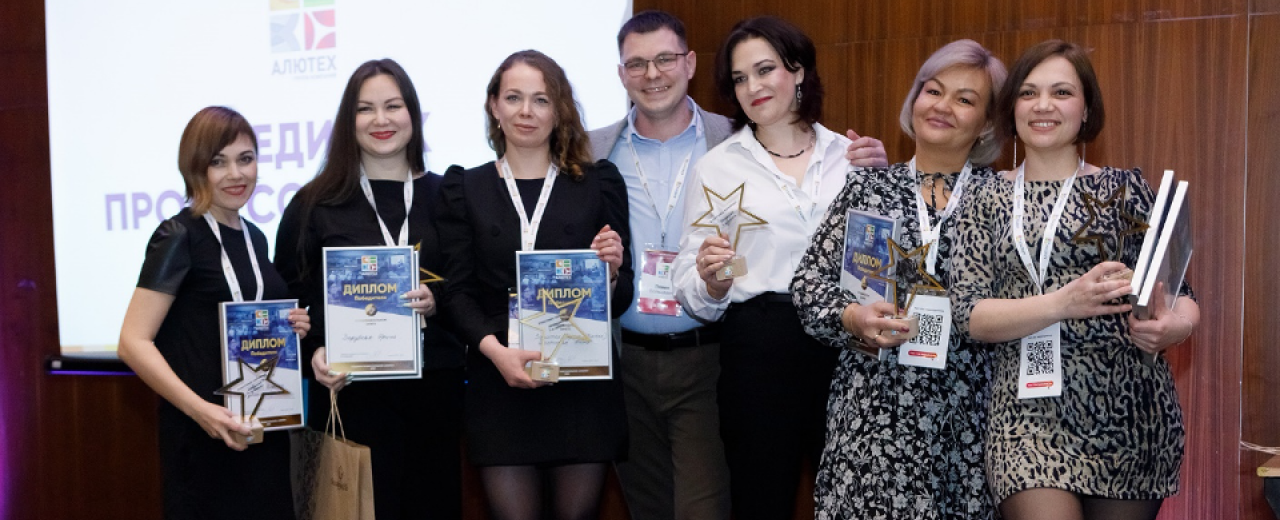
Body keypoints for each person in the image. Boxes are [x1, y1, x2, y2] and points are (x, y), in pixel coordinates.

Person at [949, 40, 1200, 520]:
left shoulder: (1125, 189)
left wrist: (1173, 328)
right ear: (1012, 108)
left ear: (1085, 110)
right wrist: (1063, 303)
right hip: (1026, 416)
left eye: (1061, 92)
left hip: (1130, 411)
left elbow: (1182, 297)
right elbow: (969, 315)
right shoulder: (983, 198)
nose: (1043, 105)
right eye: (1028, 93)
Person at [791, 39, 1007, 519]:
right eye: (933, 90)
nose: (942, 106)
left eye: (965, 99)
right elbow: (808, 285)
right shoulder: (869, 190)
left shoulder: (1001, 199)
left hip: (970, 423)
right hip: (872, 419)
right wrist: (853, 317)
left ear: (988, 123)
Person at [435, 49, 632, 520]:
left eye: (541, 100)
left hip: (580, 386)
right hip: (499, 381)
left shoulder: (598, 184)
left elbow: (622, 296)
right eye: (514, 98)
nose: (527, 111)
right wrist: (496, 352)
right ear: (493, 106)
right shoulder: (464, 189)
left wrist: (610, 274)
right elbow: (456, 293)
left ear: (559, 110)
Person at [671, 15, 853, 520]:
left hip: (848, 344)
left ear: (798, 70)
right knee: (760, 500)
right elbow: (688, 281)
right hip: (760, 348)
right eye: (739, 78)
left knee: (850, 500)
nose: (752, 86)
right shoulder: (718, 167)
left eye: (765, 69)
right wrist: (710, 282)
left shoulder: (852, 156)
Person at [274, 58, 466, 520]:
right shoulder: (314, 204)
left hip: (434, 398)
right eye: (365, 109)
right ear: (349, 120)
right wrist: (313, 354)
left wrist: (438, 301)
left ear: (413, 113)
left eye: (393, 106)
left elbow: (470, 289)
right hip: (350, 398)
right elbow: (285, 305)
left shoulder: (448, 195)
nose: (381, 120)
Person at [119, 106, 309, 520]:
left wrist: (291, 327)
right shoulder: (178, 235)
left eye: (245, 159)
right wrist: (201, 411)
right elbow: (132, 342)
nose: (236, 174)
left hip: (262, 429)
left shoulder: (255, 237)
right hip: (203, 436)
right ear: (195, 168)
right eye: (218, 162)